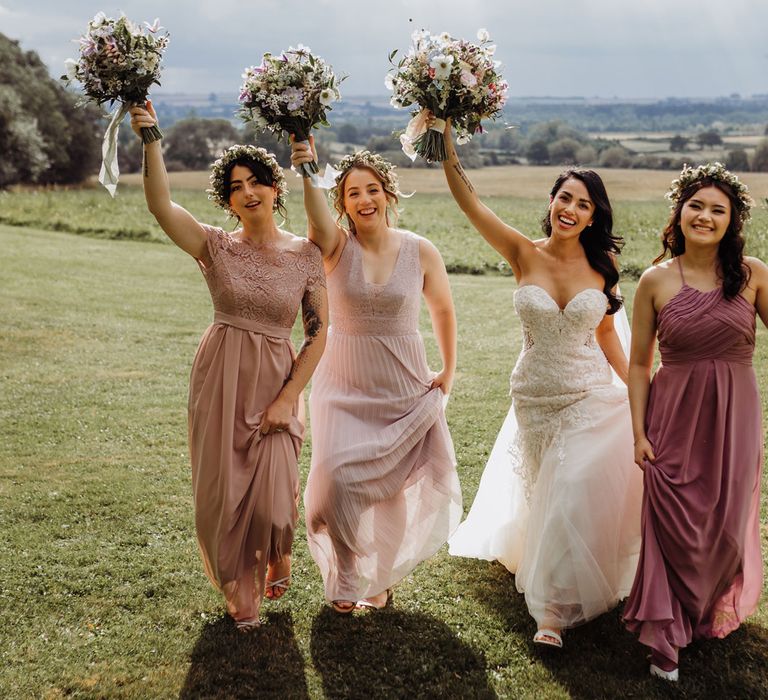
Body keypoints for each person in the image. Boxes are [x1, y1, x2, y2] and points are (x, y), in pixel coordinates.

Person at [436, 118, 642, 648]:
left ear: (595, 216)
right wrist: (446, 143)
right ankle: (545, 562)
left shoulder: (604, 266)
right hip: (532, 396)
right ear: (551, 201)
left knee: (569, 491)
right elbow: (470, 203)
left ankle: (551, 613)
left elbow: (608, 339)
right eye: (565, 198)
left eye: (584, 204)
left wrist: (645, 389)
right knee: (543, 491)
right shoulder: (522, 252)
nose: (571, 210)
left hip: (589, 395)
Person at [129, 102, 328, 631]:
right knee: (224, 489)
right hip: (220, 374)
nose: (248, 191)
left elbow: (318, 332)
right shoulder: (213, 247)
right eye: (236, 186)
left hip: (276, 377)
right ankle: (242, 591)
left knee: (274, 500)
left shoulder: (307, 254)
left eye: (256, 180)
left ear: (274, 187)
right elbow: (161, 205)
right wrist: (151, 140)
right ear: (228, 201)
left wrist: (288, 396)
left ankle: (274, 552)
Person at [290, 140, 462, 613]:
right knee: (333, 482)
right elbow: (316, 216)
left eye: (372, 190)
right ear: (341, 204)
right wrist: (307, 168)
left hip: (402, 381)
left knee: (389, 485)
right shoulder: (334, 246)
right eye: (352, 193)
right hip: (342, 381)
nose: (364, 200)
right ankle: (347, 568)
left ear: (388, 194)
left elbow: (443, 308)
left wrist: (449, 367)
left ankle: (379, 580)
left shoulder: (421, 251)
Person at [623, 163, 766, 681]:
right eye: (696, 206)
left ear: (733, 221)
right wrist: (639, 432)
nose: (705, 216)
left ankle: (702, 609)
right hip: (673, 415)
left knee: (725, 524)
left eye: (717, 210)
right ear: (679, 212)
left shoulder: (752, 275)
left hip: (736, 416)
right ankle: (665, 635)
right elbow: (640, 364)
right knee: (674, 519)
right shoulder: (656, 280)